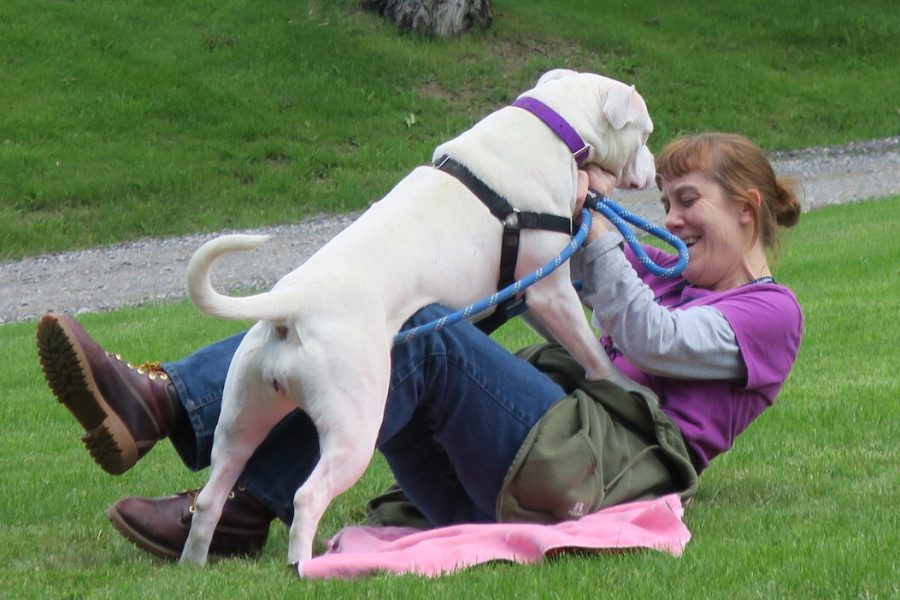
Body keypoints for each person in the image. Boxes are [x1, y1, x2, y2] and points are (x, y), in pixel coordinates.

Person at [36, 132, 803, 561]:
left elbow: (651, 338)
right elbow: (577, 294)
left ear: (748, 209)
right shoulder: (674, 280)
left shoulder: (770, 313)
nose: (669, 220)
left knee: (412, 332)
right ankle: (177, 412)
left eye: (687, 202)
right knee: (380, 312)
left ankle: (208, 456)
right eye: (664, 202)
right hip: (524, 463)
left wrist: (595, 226)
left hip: (600, 463)